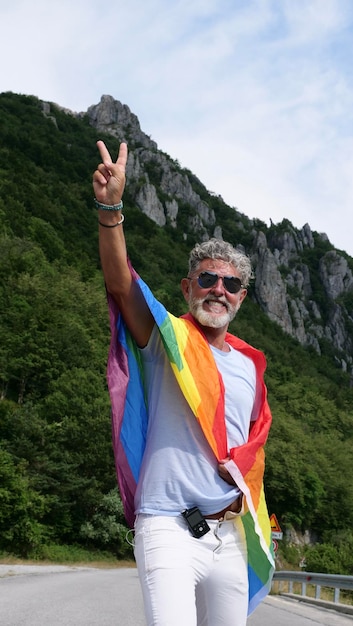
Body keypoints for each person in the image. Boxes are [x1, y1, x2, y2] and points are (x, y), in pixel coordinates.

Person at [93, 141, 274, 626]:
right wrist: (111, 209)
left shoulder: (251, 367)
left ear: (241, 298)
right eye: (208, 279)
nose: (220, 289)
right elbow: (121, 285)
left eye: (231, 284)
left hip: (230, 534)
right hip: (167, 526)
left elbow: (247, 449)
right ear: (187, 288)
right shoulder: (166, 338)